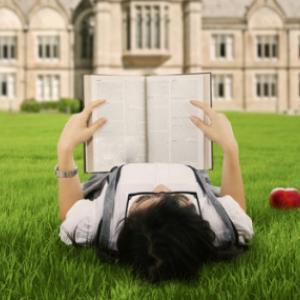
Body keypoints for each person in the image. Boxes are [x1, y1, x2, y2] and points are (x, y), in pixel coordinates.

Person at [56, 99, 254, 283]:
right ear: (198, 222)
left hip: (117, 162)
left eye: (143, 198)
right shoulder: (218, 227)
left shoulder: (101, 224)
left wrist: (65, 149)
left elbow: (70, 213)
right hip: (181, 156)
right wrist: (230, 148)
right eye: (177, 197)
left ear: (126, 225)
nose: (160, 187)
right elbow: (235, 206)